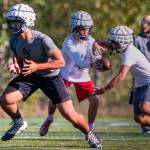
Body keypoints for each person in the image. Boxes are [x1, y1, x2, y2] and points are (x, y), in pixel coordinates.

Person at [0, 4, 102, 148]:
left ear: (28, 21)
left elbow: (60, 62)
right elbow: (20, 58)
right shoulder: (14, 40)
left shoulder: (42, 40)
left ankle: (89, 133)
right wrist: (16, 66)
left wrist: (37, 66)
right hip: (30, 74)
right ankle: (19, 122)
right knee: (5, 99)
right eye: (11, 21)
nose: (13, 25)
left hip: (51, 77)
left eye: (16, 21)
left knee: (70, 115)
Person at [39, 10, 110, 136]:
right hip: (65, 73)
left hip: (82, 76)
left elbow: (95, 57)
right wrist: (93, 64)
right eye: (83, 29)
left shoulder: (90, 41)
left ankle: (90, 129)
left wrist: (100, 61)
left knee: (95, 100)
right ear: (75, 28)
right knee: (55, 99)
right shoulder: (68, 42)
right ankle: (49, 118)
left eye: (88, 29)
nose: (86, 32)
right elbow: (79, 62)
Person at [93, 25, 150, 134]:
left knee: (145, 107)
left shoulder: (130, 52)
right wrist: (96, 43)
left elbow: (120, 76)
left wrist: (103, 90)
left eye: (113, 42)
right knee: (139, 118)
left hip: (148, 81)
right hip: (139, 84)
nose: (110, 44)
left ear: (122, 42)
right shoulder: (122, 46)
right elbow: (102, 43)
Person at [131, 15, 150, 134]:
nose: (144, 25)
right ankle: (146, 125)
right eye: (143, 22)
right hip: (140, 77)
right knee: (138, 115)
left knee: (145, 106)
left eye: (147, 23)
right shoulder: (136, 40)